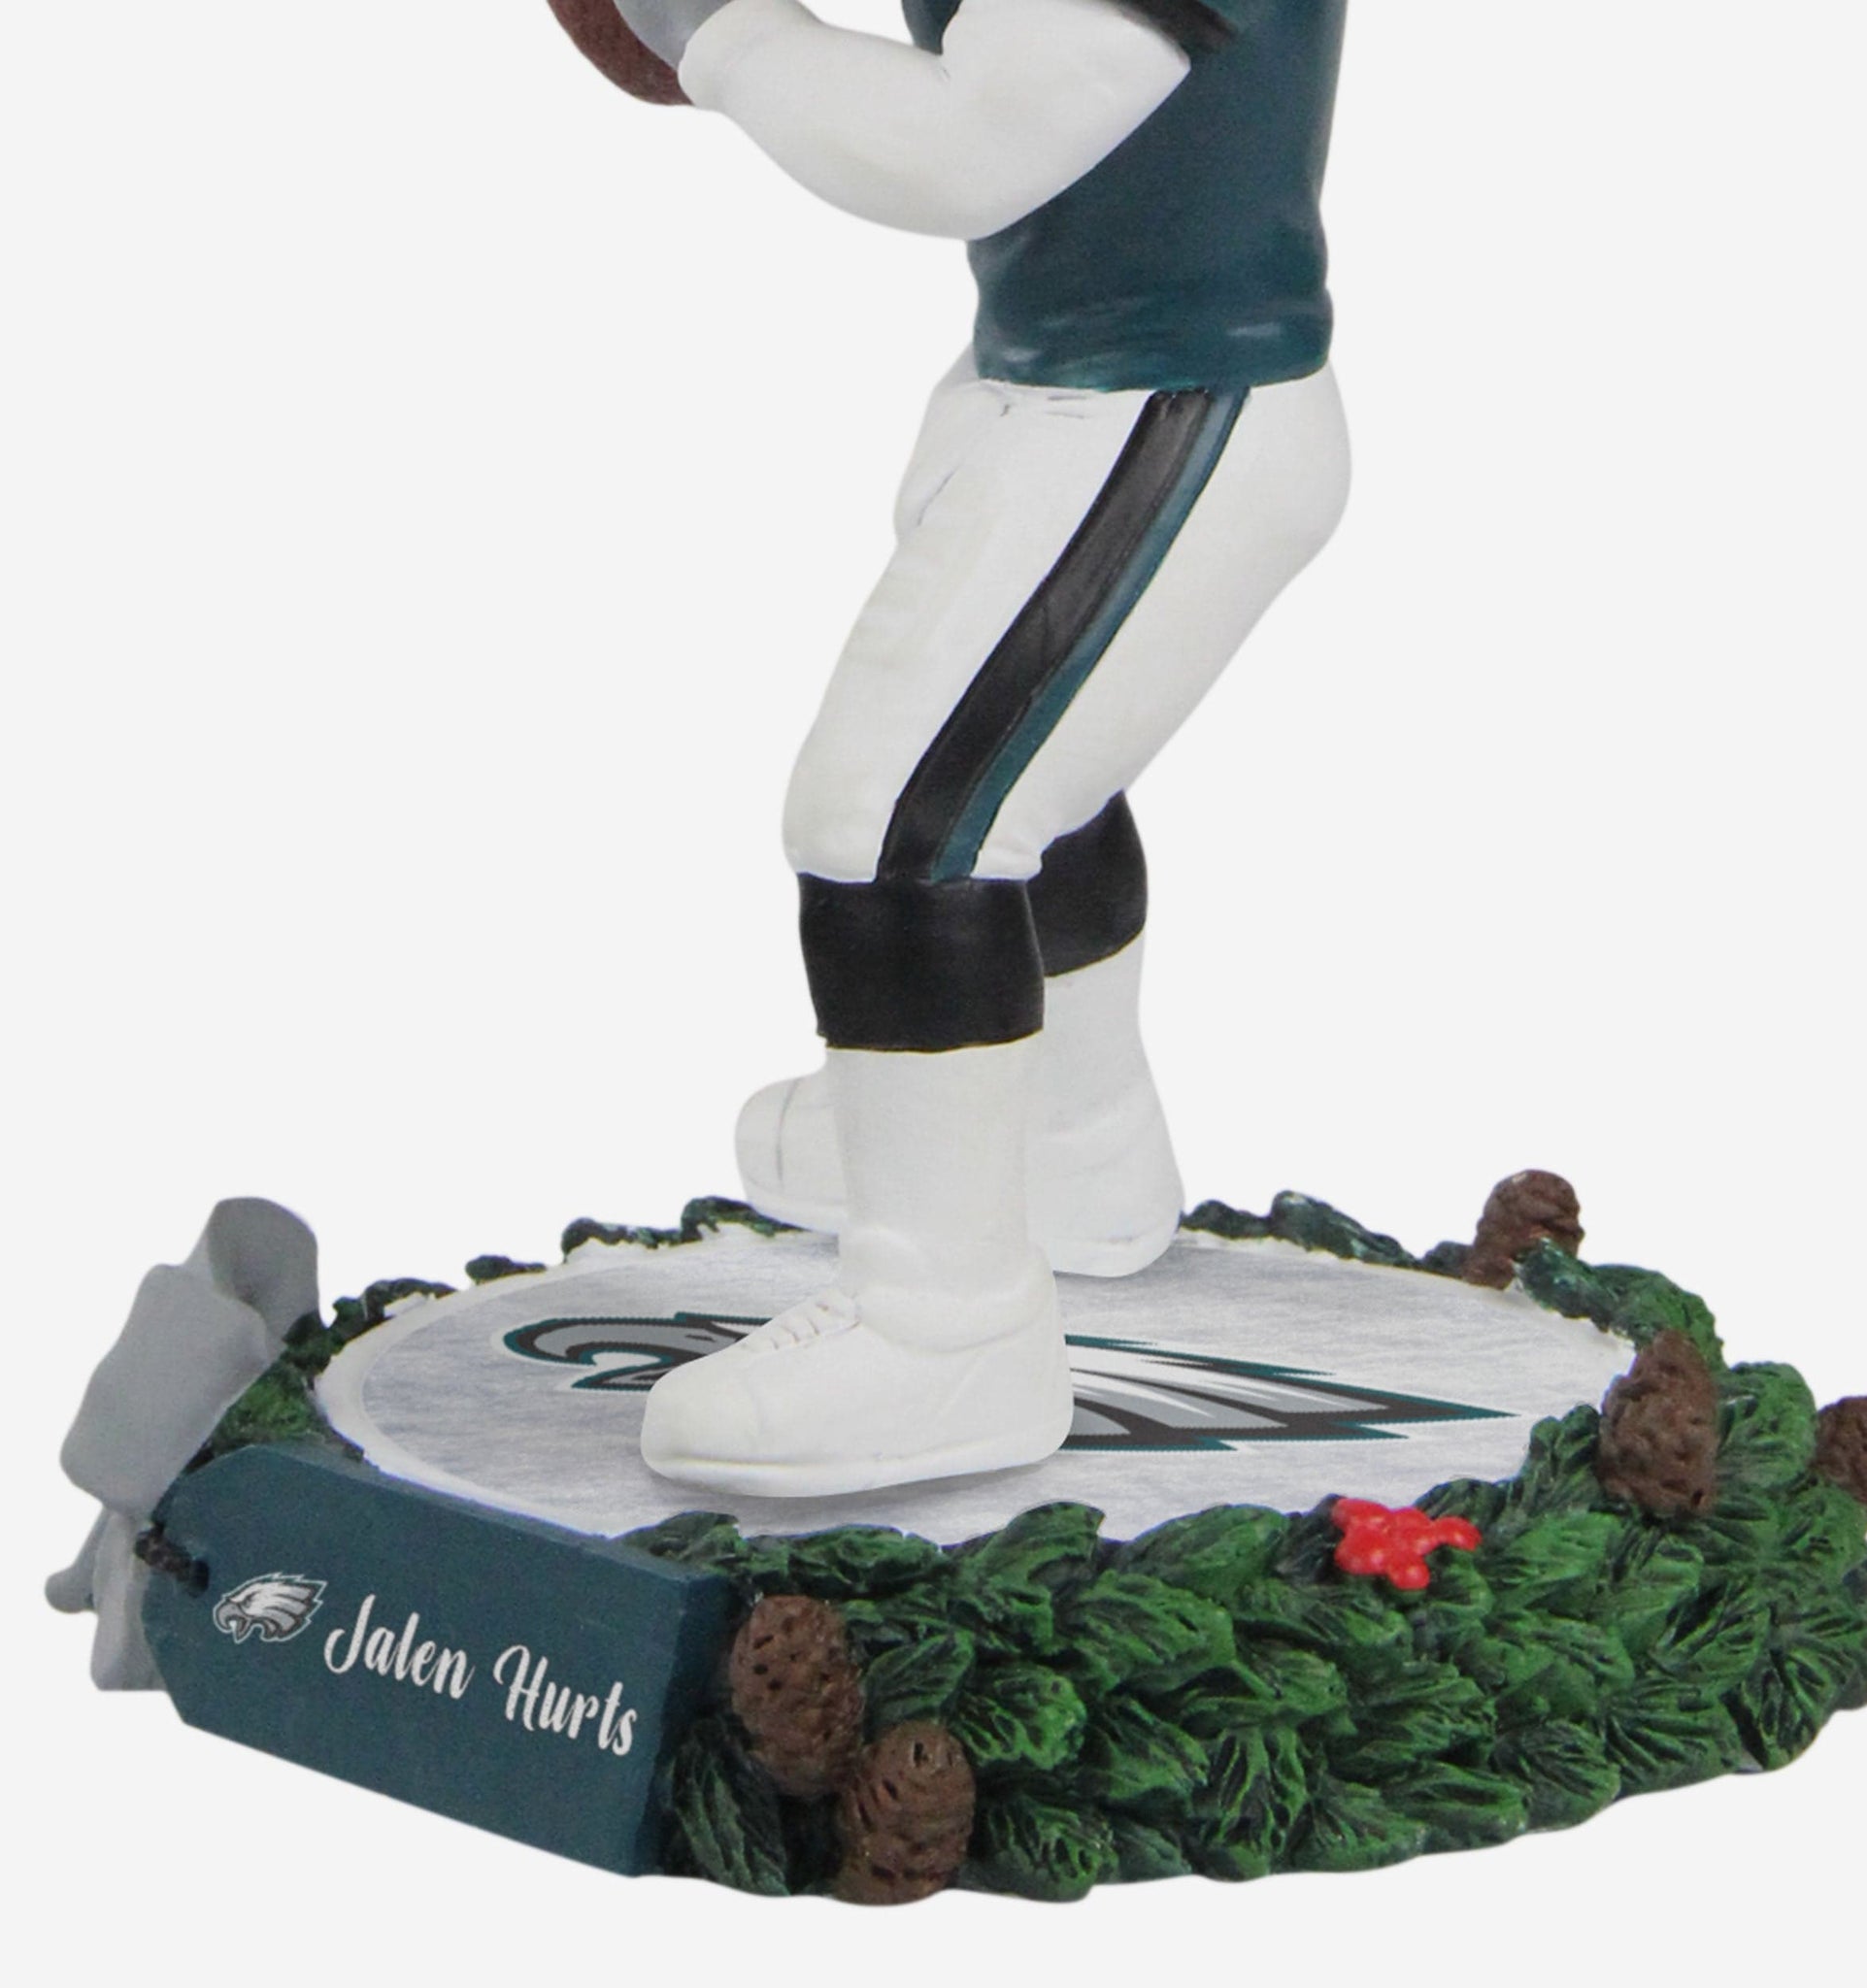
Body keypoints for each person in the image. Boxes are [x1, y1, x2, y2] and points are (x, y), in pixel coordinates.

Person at [617, 0, 1354, 1494]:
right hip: (1060, 377)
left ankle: (943, 1324)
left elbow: (975, 142)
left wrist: (721, 32)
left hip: (1166, 394)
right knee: (1030, 775)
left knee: (896, 820)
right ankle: (1062, 1143)